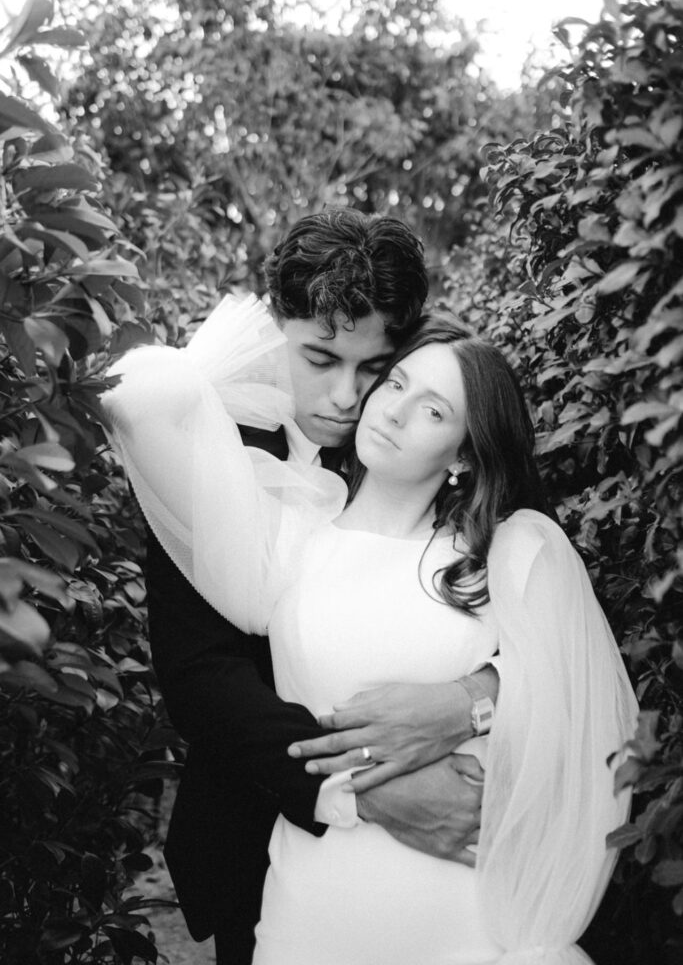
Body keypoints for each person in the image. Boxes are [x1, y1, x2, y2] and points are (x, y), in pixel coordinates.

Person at [104, 293, 638, 964]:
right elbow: (133, 395)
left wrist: (475, 698)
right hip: (299, 886)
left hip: (459, 910)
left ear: (465, 455)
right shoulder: (280, 524)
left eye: (433, 409)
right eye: (397, 384)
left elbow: (585, 697)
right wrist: (365, 789)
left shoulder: (507, 549)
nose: (380, 405)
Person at [139, 209, 499, 963]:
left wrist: (473, 695)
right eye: (320, 358)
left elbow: (537, 618)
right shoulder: (205, 445)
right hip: (257, 832)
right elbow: (201, 673)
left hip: (441, 877)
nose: (346, 396)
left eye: (373, 368)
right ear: (277, 327)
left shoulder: (426, 439)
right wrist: (367, 788)